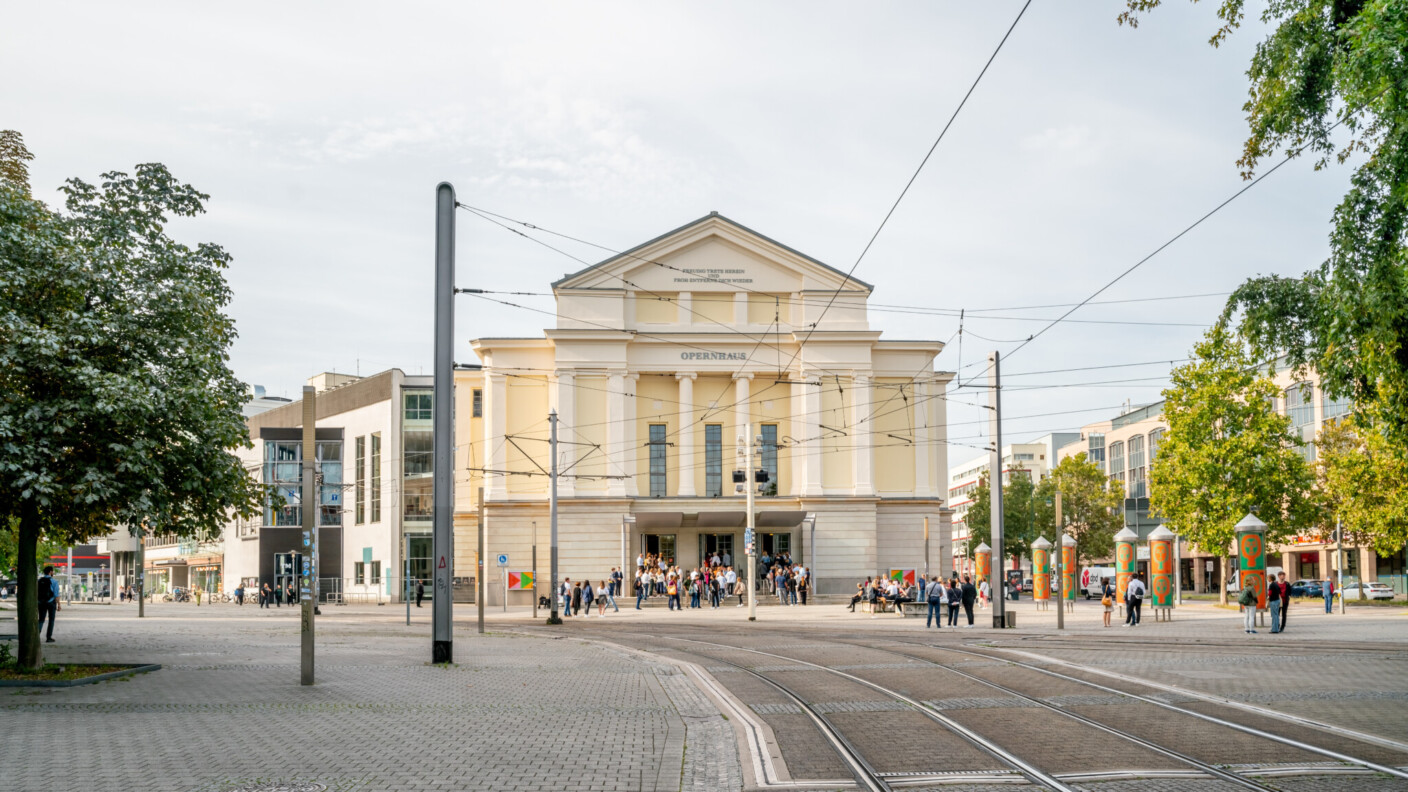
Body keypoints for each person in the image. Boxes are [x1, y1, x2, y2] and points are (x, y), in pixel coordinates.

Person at [37, 565, 60, 643]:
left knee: (41, 619)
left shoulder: (39, 581)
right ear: (50, 572)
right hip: (51, 602)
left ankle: (36, 636)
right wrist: (59, 605)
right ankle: (48, 637)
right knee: (51, 620)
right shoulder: (54, 581)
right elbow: (56, 595)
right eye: (52, 571)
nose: (53, 572)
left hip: (41, 602)